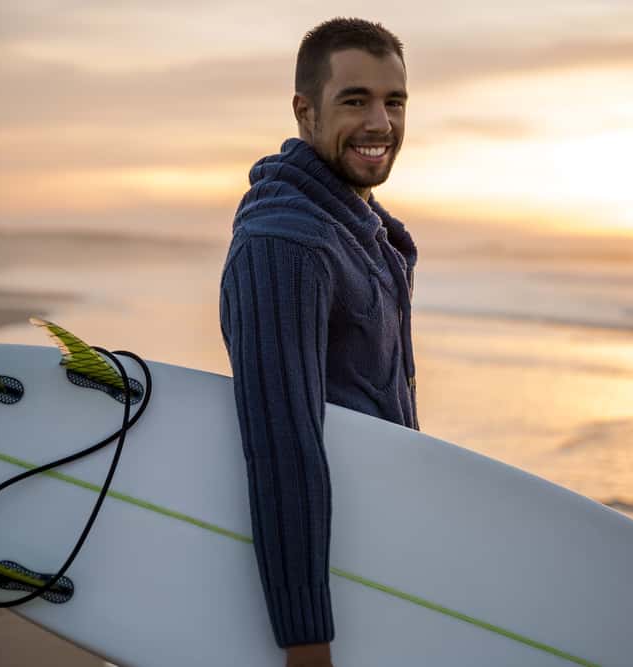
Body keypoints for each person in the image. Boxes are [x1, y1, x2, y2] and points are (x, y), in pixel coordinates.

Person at [219, 17, 417, 667]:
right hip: (324, 603)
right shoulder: (288, 241)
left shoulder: (368, 232)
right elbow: (284, 443)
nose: (380, 122)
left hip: (378, 571)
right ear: (305, 110)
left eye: (394, 101)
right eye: (354, 99)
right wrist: (306, 642)